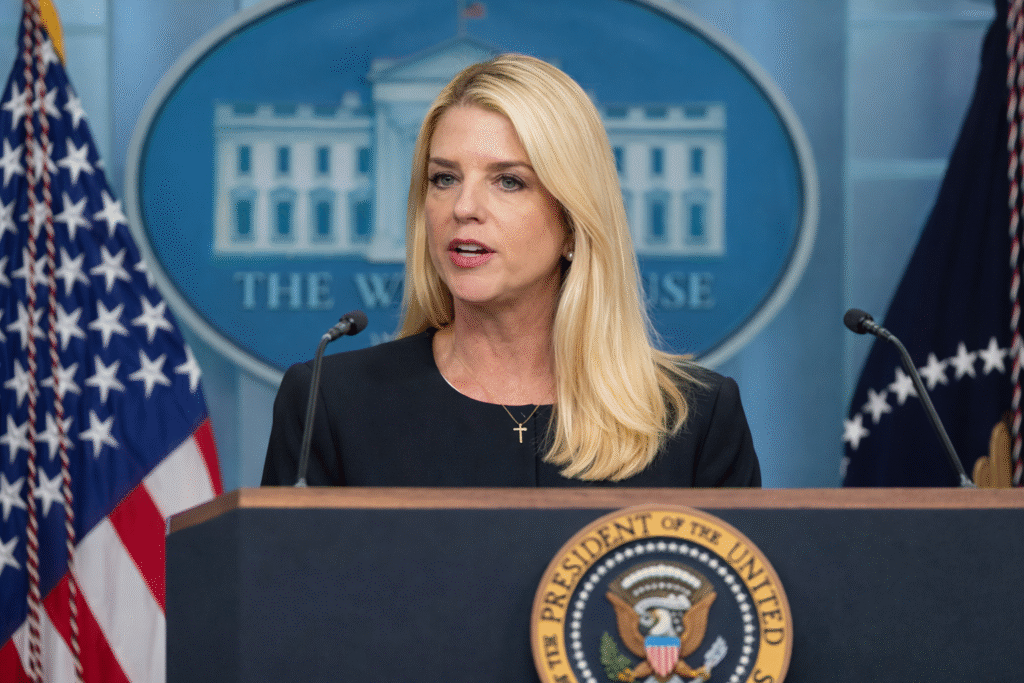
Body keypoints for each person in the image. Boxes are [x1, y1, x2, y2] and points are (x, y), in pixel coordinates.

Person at [262, 53, 760, 487]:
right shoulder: (330, 403)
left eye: (508, 181)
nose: (464, 206)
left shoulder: (693, 417)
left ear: (572, 220)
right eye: (444, 178)